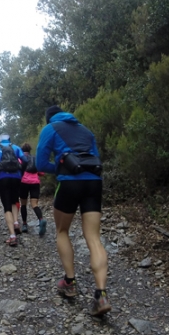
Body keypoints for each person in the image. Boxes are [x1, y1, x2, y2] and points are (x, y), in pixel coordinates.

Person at [35, 106, 111, 316]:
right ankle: (101, 295)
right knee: (94, 238)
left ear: (49, 118)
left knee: (62, 231)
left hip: (69, 183)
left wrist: (58, 168)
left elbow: (40, 163)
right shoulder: (86, 131)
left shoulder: (50, 128)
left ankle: (69, 282)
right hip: (94, 183)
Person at [0, 133, 26, 247]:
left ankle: (12, 236)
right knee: (14, 200)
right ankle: (16, 223)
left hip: (3, 179)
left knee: (7, 206)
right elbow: (25, 161)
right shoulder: (16, 147)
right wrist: (21, 173)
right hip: (16, 177)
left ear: (0, 140)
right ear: (10, 139)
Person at [19, 142, 47, 236]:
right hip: (35, 182)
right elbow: (42, 173)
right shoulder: (35, 158)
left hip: (23, 182)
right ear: (30, 150)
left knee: (23, 204)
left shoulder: (20, 158)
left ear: (21, 150)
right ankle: (41, 220)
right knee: (34, 204)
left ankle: (24, 224)